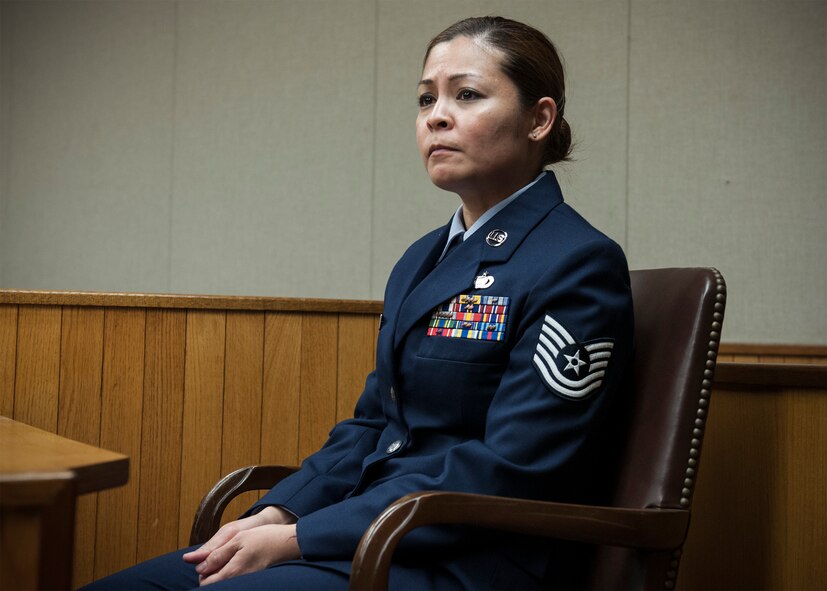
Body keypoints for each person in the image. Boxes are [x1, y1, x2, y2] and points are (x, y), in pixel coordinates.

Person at [83, 15, 633, 591]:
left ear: (539, 119)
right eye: (426, 99)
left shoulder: (575, 262)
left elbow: (511, 470)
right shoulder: (423, 258)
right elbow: (377, 424)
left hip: (469, 561)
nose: (436, 116)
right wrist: (281, 513)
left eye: (467, 94)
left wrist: (300, 539)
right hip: (369, 535)